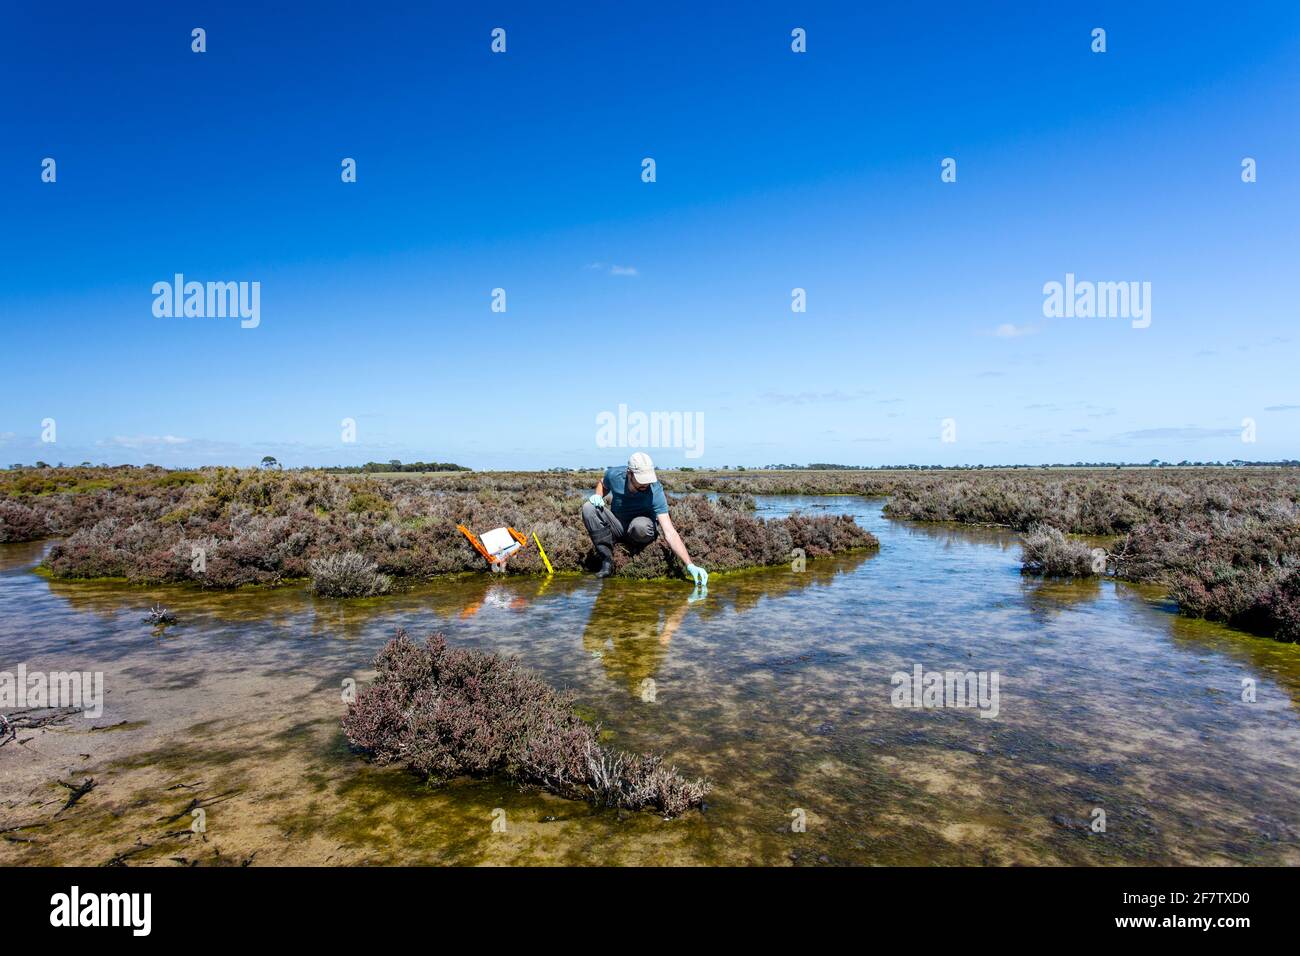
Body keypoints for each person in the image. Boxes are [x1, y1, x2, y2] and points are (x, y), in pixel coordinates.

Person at [580, 452, 708, 586]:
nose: (645, 484)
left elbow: (670, 532)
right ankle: (607, 560)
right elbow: (603, 483)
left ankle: (636, 550)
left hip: (640, 528)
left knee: (640, 527)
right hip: (617, 525)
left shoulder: (655, 490)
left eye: (648, 480)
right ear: (629, 473)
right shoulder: (614, 475)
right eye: (641, 481)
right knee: (589, 508)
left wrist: (690, 564)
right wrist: (598, 495)